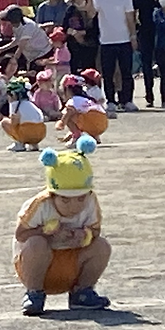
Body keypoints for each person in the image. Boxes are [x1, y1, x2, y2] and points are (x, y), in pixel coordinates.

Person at [14, 135, 112, 315]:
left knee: (102, 246)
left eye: (80, 199)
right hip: (39, 267)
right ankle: (34, 293)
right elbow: (20, 234)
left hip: (72, 266)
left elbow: (96, 230)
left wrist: (85, 235)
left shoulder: (91, 201)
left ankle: (82, 292)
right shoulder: (40, 205)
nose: (74, 206)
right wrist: (45, 232)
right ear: (52, 195)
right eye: (65, 200)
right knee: (36, 243)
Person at [91, 0, 137, 112]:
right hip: (106, 42)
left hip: (124, 40)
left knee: (126, 72)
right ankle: (110, 100)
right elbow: (91, 14)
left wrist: (133, 36)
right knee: (108, 73)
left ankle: (127, 100)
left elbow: (130, 19)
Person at [132, 0, 163, 107]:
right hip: (145, 31)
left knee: (163, 63)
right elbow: (132, 14)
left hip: (161, 31)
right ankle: (149, 93)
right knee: (146, 64)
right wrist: (134, 32)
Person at [57, 74, 108, 144]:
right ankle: (95, 137)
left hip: (92, 123)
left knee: (69, 115)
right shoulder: (88, 99)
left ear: (68, 90)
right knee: (82, 114)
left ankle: (76, 136)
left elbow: (68, 112)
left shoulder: (73, 100)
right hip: (103, 123)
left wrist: (62, 123)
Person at [1, 76, 47, 152]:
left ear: (13, 94)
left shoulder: (15, 104)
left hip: (27, 133)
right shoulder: (30, 104)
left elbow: (14, 122)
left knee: (4, 122)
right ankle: (34, 145)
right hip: (41, 133)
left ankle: (19, 143)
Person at [63, 0, 98, 74]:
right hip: (73, 46)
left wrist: (83, 34)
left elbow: (95, 28)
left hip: (89, 46)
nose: (78, 1)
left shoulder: (92, 10)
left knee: (89, 71)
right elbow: (65, 26)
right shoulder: (70, 10)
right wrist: (73, 33)